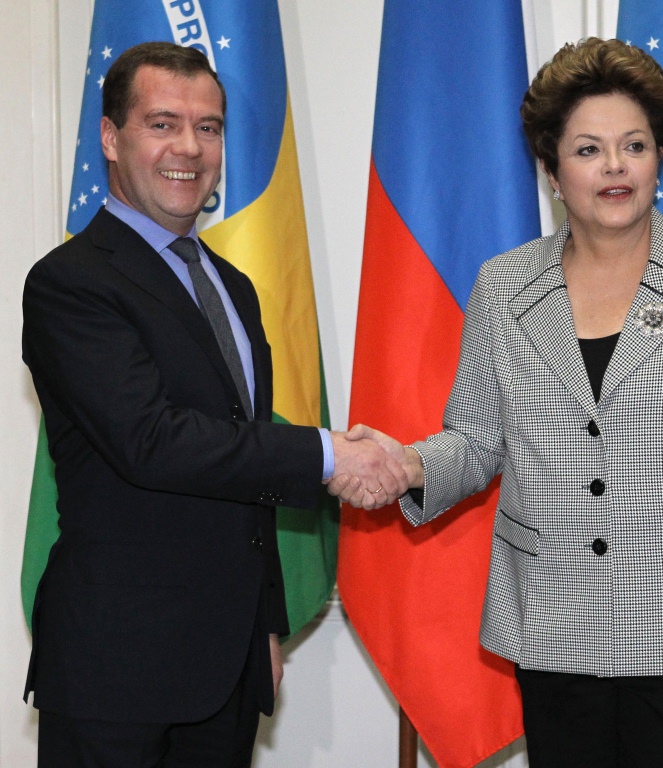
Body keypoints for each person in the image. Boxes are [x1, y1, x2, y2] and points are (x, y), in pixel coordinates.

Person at [337, 38, 663, 767]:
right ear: (553, 169)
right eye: (590, 149)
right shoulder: (504, 287)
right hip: (558, 636)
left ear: (660, 157)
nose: (615, 166)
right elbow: (476, 439)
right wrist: (405, 466)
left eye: (635, 145)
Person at [21, 41, 406, 768]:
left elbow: (241, 459)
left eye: (209, 127)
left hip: (225, 669)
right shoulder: (70, 283)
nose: (189, 149)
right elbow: (152, 441)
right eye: (162, 124)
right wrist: (331, 454)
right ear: (111, 137)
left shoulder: (234, 287)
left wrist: (260, 624)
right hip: (117, 674)